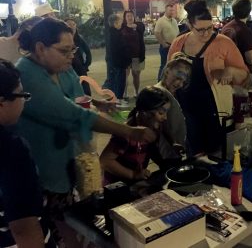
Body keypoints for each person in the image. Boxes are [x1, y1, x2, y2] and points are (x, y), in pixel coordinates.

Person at [15, 18, 156, 247]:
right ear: (40, 48)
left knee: (77, 218)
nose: (71, 55)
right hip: (42, 169)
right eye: (64, 50)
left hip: (71, 159)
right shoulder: (27, 75)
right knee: (59, 227)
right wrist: (130, 131)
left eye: (73, 49)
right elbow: (72, 113)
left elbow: (76, 99)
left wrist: (96, 103)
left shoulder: (62, 67)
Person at [168, 0, 251, 156]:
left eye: (210, 28)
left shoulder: (224, 43)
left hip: (214, 109)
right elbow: (168, 77)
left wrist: (231, 71)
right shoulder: (178, 43)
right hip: (185, 108)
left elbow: (246, 76)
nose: (206, 33)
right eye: (200, 29)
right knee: (191, 153)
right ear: (190, 25)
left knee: (215, 153)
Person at [0, 59, 56, 248]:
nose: (23, 101)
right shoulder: (11, 149)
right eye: (22, 95)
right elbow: (23, 226)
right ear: (1, 102)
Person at [100, 86, 172, 184]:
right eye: (161, 113)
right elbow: (105, 161)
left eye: (166, 112)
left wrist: (166, 165)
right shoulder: (126, 133)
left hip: (135, 182)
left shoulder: (153, 127)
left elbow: (152, 150)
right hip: (118, 185)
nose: (165, 117)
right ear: (144, 113)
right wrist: (133, 174)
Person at [155, 52, 192, 158]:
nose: (180, 84)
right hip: (168, 153)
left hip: (176, 150)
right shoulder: (160, 93)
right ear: (167, 71)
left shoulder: (172, 93)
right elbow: (161, 126)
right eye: (178, 78)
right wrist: (172, 143)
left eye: (183, 82)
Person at [221, 0, 252, 71]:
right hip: (240, 74)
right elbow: (251, 59)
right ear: (249, 12)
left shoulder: (226, 27)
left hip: (226, 71)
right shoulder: (245, 31)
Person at [121, 10, 146, 99]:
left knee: (136, 75)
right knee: (125, 75)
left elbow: (142, 29)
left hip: (137, 56)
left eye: (131, 16)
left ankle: (136, 92)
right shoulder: (122, 28)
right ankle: (125, 94)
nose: (130, 17)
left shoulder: (139, 26)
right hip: (126, 57)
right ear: (125, 18)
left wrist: (136, 27)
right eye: (128, 16)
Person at [65, 18, 92, 96]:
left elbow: (88, 52)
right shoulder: (63, 40)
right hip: (69, 69)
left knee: (85, 90)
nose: (72, 27)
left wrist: (86, 65)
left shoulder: (79, 39)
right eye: (69, 25)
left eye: (73, 24)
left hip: (81, 69)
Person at [108, 13, 130, 100]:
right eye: (119, 21)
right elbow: (120, 49)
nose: (121, 23)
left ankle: (117, 98)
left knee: (118, 81)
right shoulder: (116, 34)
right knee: (120, 82)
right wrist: (127, 60)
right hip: (119, 62)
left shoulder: (114, 32)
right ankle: (118, 100)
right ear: (115, 23)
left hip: (118, 62)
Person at [154, 3, 179, 81]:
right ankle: (159, 81)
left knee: (173, 66)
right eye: (170, 10)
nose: (172, 12)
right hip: (166, 47)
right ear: (166, 10)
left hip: (174, 47)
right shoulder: (161, 21)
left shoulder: (174, 20)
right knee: (164, 65)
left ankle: (168, 81)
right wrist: (163, 44)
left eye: (172, 10)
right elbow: (156, 33)